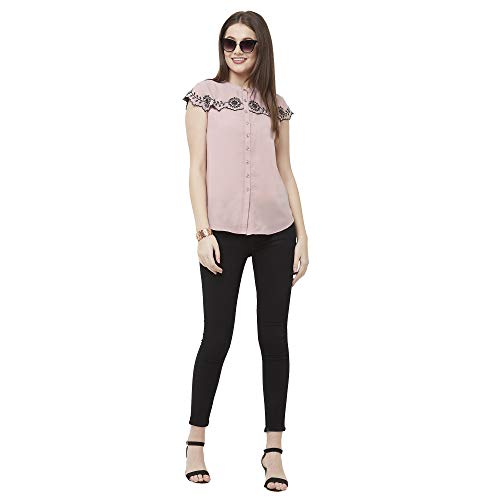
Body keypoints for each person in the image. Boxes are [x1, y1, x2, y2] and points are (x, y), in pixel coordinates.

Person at [182, 11, 308, 492]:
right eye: (229, 42)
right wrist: (202, 232)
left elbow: (286, 170)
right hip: (223, 233)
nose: (236, 51)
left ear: (261, 48)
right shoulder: (204, 96)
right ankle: (195, 441)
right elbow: (196, 169)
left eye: (247, 44)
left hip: (277, 232)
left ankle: (273, 450)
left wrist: (303, 235)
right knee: (217, 336)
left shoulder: (277, 106)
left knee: (274, 339)